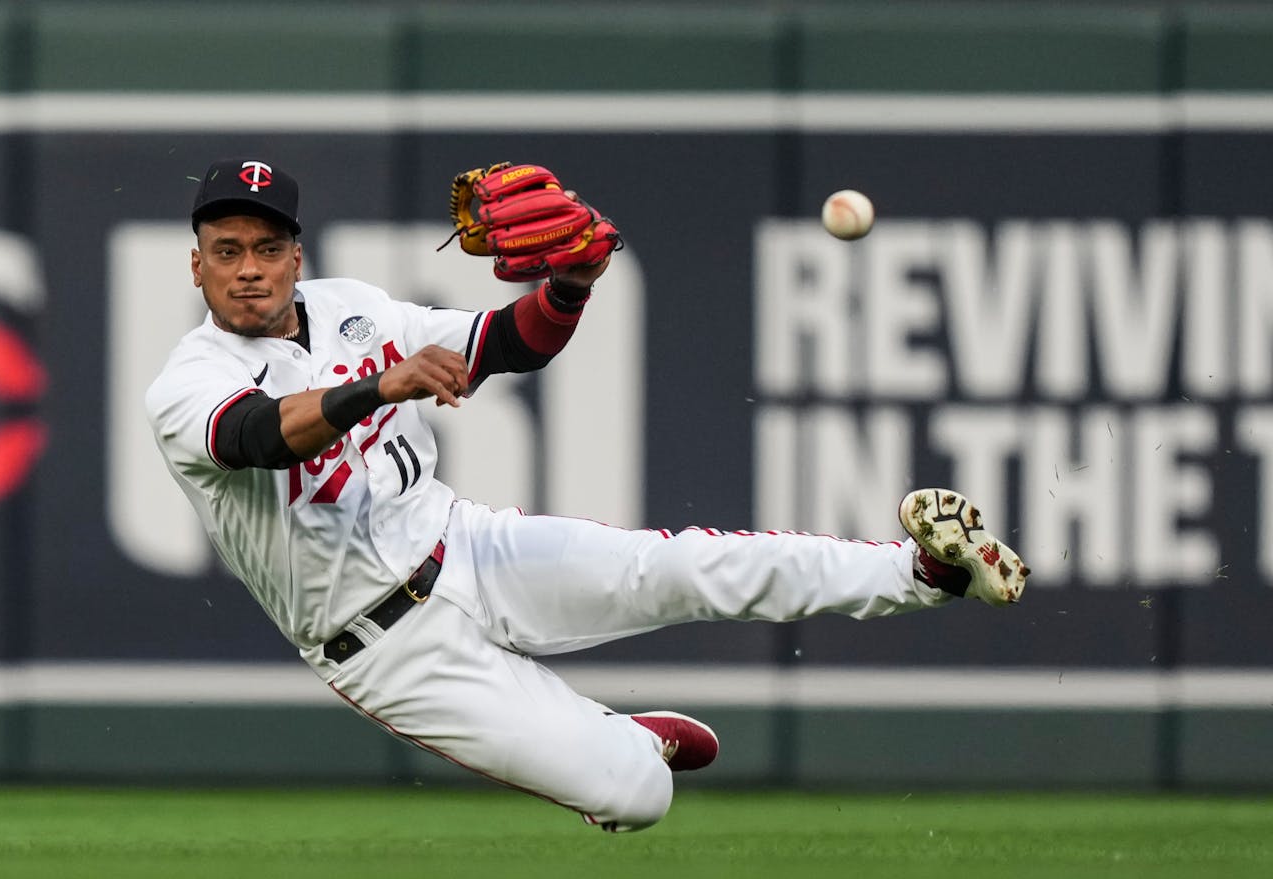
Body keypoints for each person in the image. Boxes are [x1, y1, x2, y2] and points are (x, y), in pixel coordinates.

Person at [146, 157, 1030, 832]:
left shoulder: (355, 307)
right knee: (638, 795)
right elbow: (256, 435)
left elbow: (508, 342)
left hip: (467, 547)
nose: (250, 269)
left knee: (684, 566)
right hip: (383, 644)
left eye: (268, 248)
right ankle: (623, 741)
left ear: (298, 254)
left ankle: (922, 572)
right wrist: (380, 389)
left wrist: (569, 284)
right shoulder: (188, 380)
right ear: (197, 268)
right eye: (228, 252)